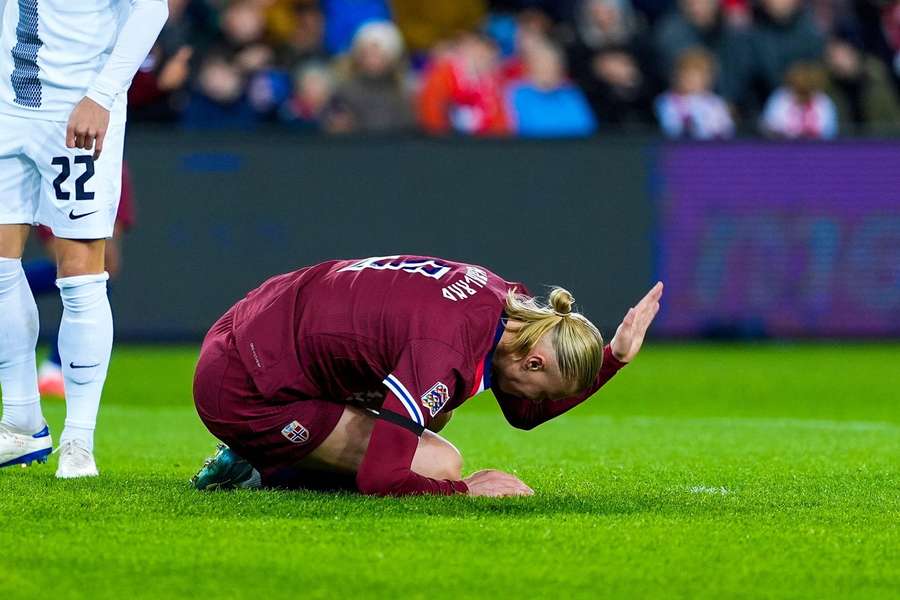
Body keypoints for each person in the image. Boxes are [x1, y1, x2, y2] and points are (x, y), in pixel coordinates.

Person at [190, 255, 663, 497]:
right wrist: (464, 491)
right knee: (439, 463)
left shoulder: (503, 303)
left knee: (434, 415)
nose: (539, 402)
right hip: (243, 387)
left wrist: (612, 358)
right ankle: (257, 462)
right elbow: (382, 478)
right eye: (546, 391)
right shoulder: (444, 350)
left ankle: (272, 452)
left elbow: (521, 411)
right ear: (533, 363)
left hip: (252, 328)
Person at [0, 0, 168, 477]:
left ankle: (78, 440)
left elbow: (152, 9)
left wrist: (103, 94)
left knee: (80, 272)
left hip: (75, 108)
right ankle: (20, 424)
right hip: (8, 106)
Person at [655, 48, 734, 139]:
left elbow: (727, 128)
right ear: (677, 77)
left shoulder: (716, 102)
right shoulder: (667, 101)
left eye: (696, 77)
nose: (691, 81)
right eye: (687, 76)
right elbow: (671, 127)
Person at [760, 61, 838, 139]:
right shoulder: (780, 98)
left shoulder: (823, 101)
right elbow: (769, 127)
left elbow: (829, 132)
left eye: (807, 81)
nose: (803, 84)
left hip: (816, 148)